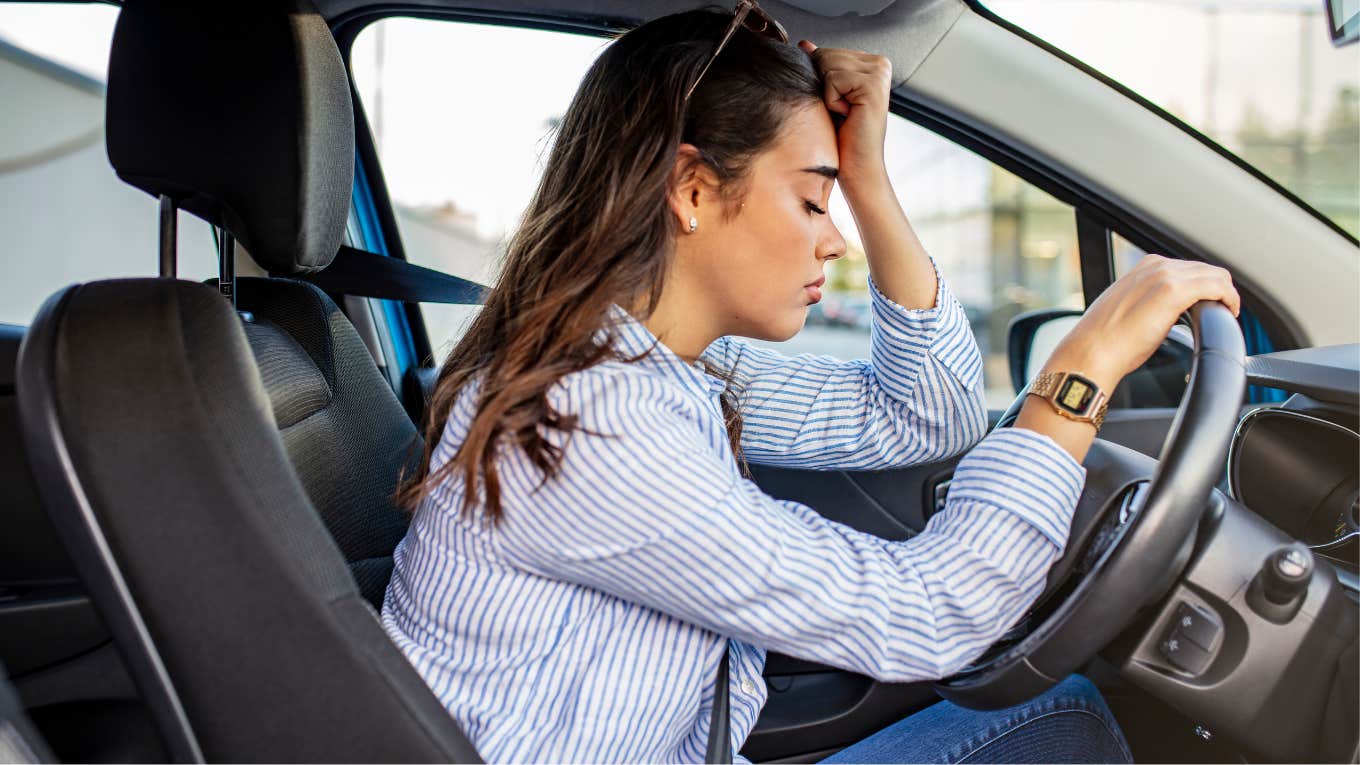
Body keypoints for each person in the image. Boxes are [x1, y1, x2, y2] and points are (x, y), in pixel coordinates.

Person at [381, 5, 1240, 762]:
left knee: (1071, 716)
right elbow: (930, 613)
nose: (836, 241)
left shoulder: (663, 364)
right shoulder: (588, 420)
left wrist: (863, 173)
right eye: (812, 202)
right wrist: (1079, 375)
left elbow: (925, 415)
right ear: (690, 188)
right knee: (1074, 728)